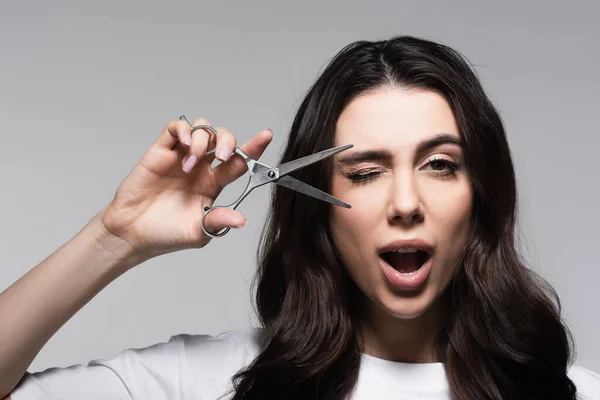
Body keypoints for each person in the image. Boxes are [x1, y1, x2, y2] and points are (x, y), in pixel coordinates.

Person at [1, 35, 599, 400]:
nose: (407, 203)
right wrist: (115, 237)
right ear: (318, 207)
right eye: (366, 172)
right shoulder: (212, 382)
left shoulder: (571, 392)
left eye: (440, 165)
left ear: (481, 193)